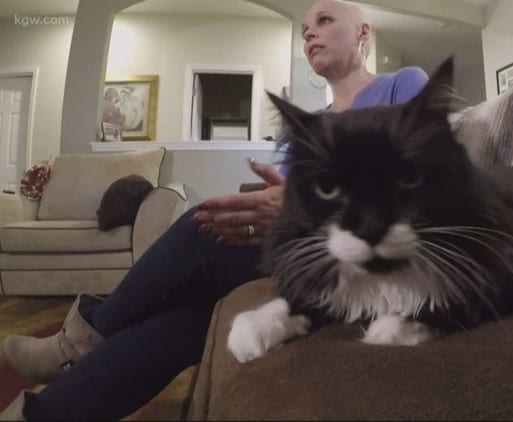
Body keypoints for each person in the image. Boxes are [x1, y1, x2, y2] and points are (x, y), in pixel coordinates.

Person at [0, 0, 428, 420]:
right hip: (299, 256)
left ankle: (73, 344)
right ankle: (41, 414)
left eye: (325, 20)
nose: (310, 33)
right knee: (183, 324)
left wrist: (301, 208)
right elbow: (282, 204)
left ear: (363, 33)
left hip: (363, 253)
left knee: (200, 224)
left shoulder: (401, 85)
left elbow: (417, 170)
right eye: (304, 30)